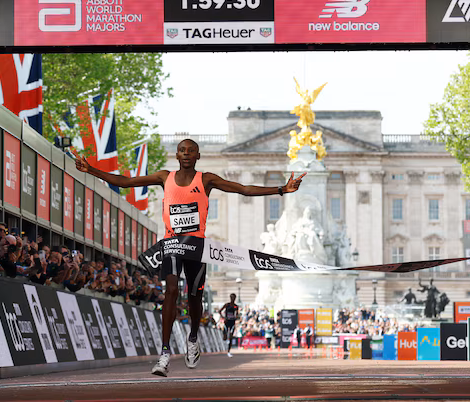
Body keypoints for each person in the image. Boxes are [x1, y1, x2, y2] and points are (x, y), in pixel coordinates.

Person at [76, 139, 305, 377]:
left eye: (190, 151)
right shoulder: (165, 177)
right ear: (177, 155)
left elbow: (242, 189)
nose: (186, 154)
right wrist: (90, 169)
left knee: (194, 297)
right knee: (172, 290)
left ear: (197, 156)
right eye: (182, 151)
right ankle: (164, 353)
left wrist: (281, 190)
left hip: (196, 247)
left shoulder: (206, 180)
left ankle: (193, 337)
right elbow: (125, 182)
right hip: (173, 243)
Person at [219, 293, 241, 357]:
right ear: (230, 298)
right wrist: (223, 317)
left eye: (233, 297)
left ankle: (228, 351)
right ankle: (224, 337)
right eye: (231, 297)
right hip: (226, 322)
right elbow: (220, 311)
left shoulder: (236, 306)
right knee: (225, 337)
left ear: (235, 298)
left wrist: (236, 317)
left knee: (231, 337)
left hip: (232, 322)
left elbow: (237, 314)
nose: (232, 299)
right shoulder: (227, 305)